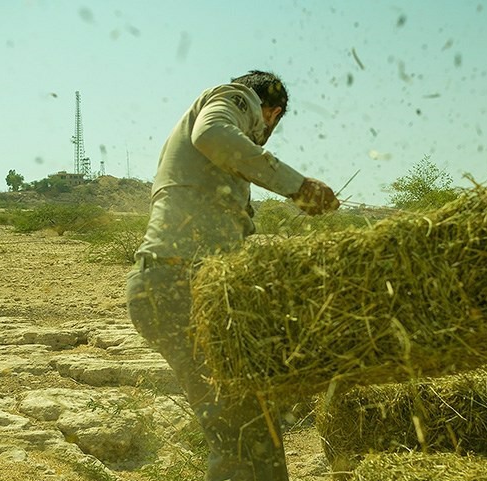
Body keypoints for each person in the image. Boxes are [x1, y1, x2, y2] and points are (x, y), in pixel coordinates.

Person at [126, 70, 339, 481]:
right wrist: (298, 186)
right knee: (240, 436)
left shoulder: (217, 168)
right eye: (272, 125)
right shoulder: (237, 98)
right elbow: (213, 134)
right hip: (179, 286)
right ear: (273, 113)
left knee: (255, 430)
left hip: (180, 285)